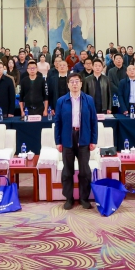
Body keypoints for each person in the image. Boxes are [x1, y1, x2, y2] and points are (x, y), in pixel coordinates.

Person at [54, 71, 98, 209]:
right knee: (67, 171)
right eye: (71, 82)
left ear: (81, 84)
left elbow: (93, 121)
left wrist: (93, 140)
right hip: (67, 137)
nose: (74, 84)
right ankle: (69, 198)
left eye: (77, 81)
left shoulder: (88, 100)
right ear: (68, 84)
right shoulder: (61, 101)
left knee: (84, 170)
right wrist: (58, 141)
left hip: (83, 136)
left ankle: (84, 198)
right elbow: (58, 122)